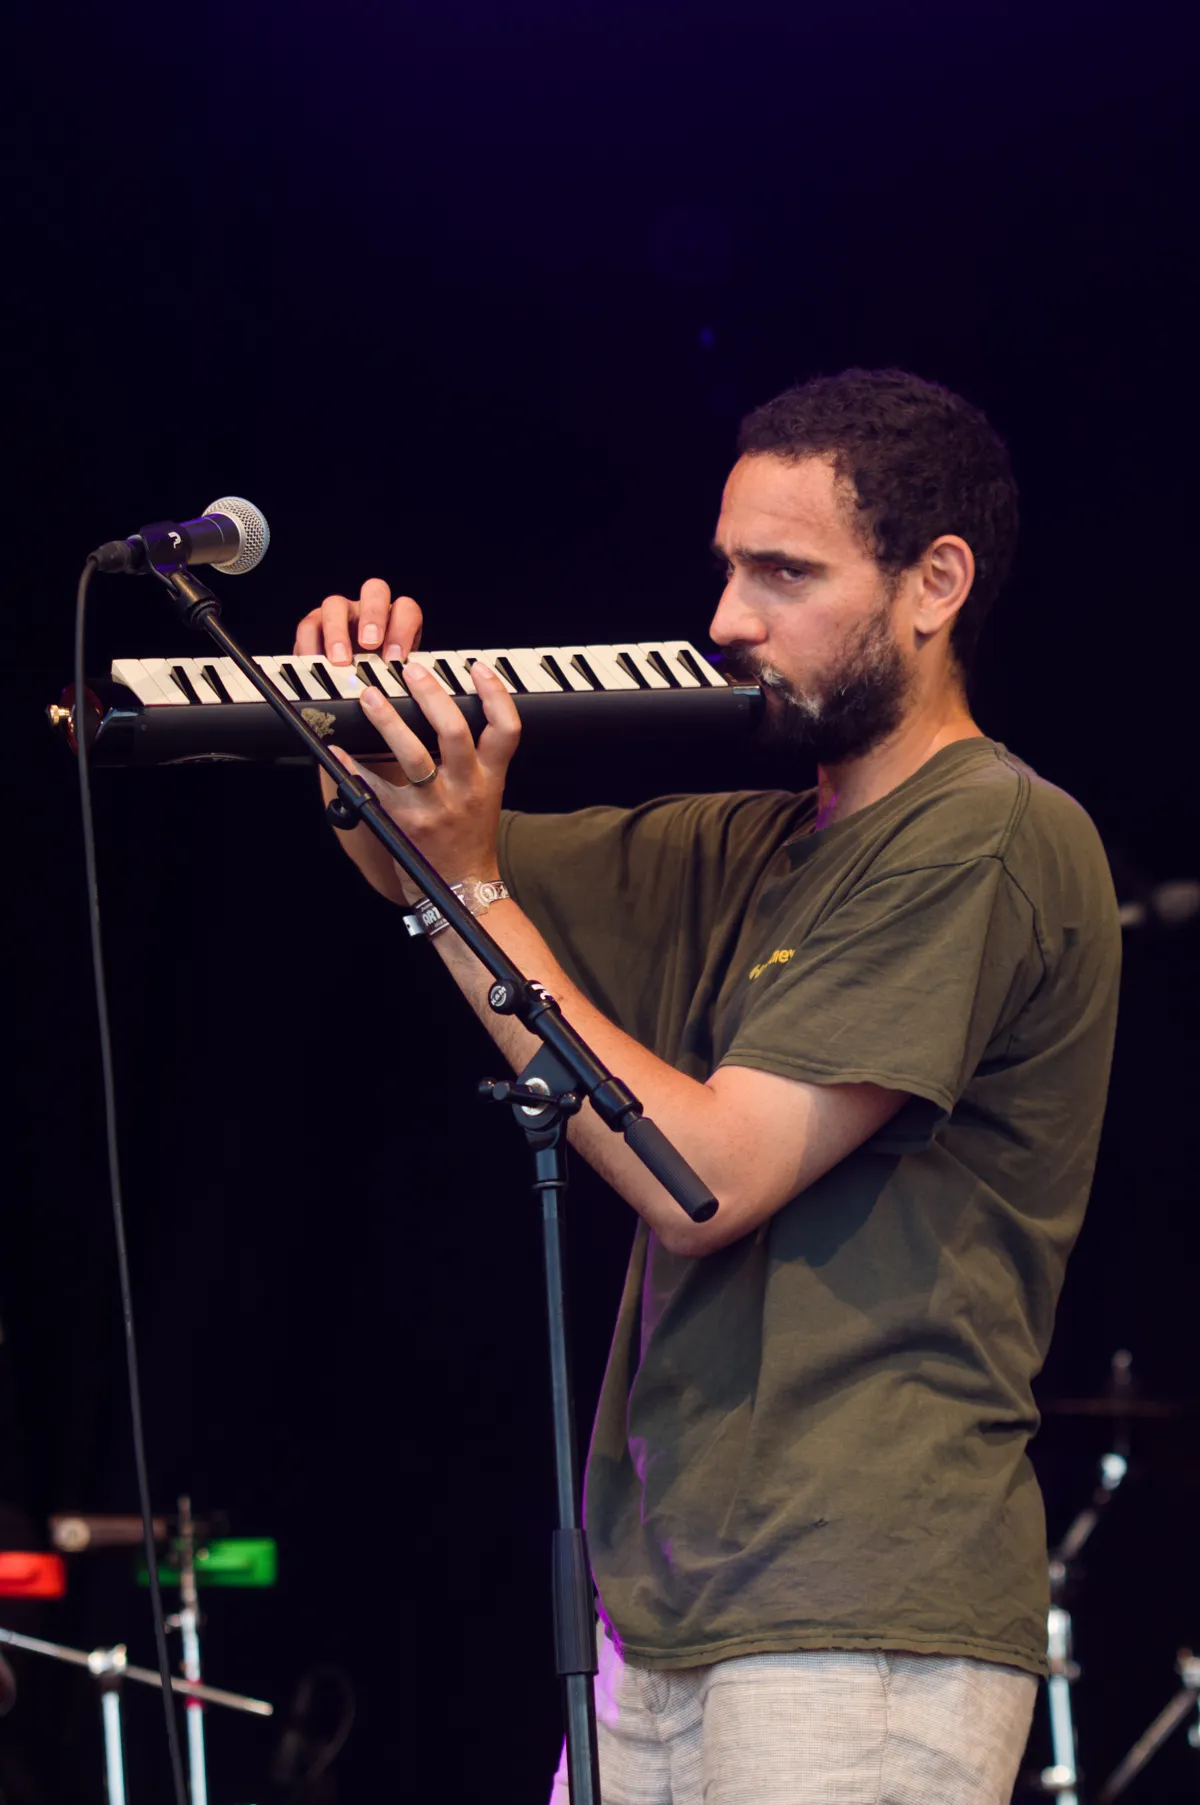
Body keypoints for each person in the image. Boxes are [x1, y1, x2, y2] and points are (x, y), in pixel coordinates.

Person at [294, 369, 1121, 1804]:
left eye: (784, 574)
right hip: (663, 1611)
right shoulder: (749, 842)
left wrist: (471, 883)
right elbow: (417, 861)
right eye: (730, 567)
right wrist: (350, 732)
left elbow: (705, 1179)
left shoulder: (990, 831)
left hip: (859, 1617)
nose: (730, 617)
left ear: (934, 585)